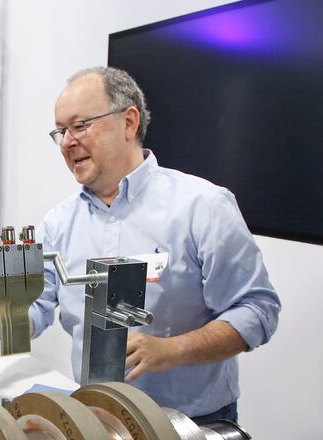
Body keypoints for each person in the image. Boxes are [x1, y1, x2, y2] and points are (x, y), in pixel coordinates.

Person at [29, 66, 281, 423]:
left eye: (80, 125)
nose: (68, 142)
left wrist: (171, 350)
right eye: (61, 131)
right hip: (97, 418)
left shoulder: (204, 207)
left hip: (192, 422)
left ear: (129, 122)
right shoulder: (57, 223)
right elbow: (35, 304)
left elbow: (257, 309)